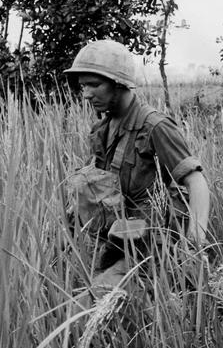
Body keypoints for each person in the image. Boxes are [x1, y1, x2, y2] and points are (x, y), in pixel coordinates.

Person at [65, 39, 210, 294]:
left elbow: (196, 181)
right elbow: (101, 186)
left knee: (94, 302)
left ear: (119, 83)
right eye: (83, 86)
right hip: (115, 242)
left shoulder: (155, 126)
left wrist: (194, 244)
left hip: (151, 248)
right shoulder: (101, 130)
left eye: (94, 84)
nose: (86, 94)